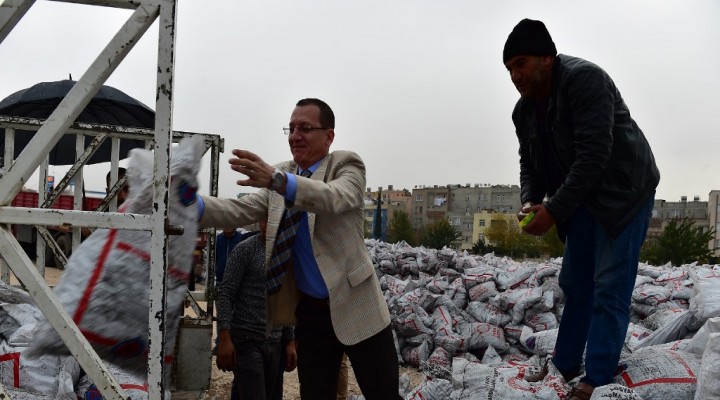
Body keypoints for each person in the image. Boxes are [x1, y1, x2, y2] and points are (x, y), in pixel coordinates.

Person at [199, 98, 399, 399]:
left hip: (358, 304)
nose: (295, 136)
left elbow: (334, 197)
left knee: (383, 394)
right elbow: (237, 209)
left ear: (329, 136)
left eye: (305, 128)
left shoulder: (345, 165)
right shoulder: (282, 174)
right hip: (312, 314)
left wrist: (280, 181)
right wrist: (190, 202)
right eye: (291, 128)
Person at [502, 19, 660, 400]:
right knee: (576, 284)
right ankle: (566, 364)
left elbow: (594, 154)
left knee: (609, 286)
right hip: (582, 198)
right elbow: (530, 163)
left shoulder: (584, 80)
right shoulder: (523, 112)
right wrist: (530, 201)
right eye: (509, 69)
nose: (515, 75)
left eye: (521, 63)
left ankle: (599, 378)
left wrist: (553, 210)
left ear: (547, 58)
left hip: (623, 194)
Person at [216, 220, 297, 399]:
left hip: (275, 341)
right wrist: (224, 337)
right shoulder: (245, 249)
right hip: (246, 339)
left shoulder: (285, 252)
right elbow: (226, 293)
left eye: (273, 216)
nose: (268, 222)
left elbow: (286, 299)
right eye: (264, 217)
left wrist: (290, 341)